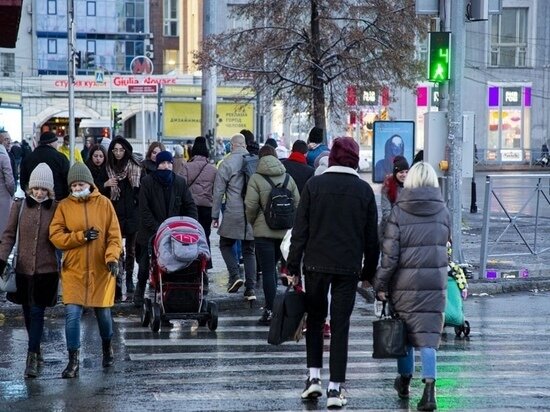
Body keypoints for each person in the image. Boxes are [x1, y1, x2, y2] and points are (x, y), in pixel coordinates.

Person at [287, 137, 379, 409]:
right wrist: (368, 272)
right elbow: (370, 239)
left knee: (315, 322)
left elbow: (299, 231)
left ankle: (313, 378)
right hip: (348, 268)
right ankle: (335, 389)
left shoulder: (314, 186)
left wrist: (292, 266)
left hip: (315, 265)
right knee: (340, 327)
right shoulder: (364, 192)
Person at [373, 161, 450, 412]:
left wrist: (380, 284)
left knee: (404, 335)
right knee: (428, 338)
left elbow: (390, 255)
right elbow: (449, 246)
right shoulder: (443, 211)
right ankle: (429, 391)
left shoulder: (399, 211)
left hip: (404, 285)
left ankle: (404, 382)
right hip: (434, 283)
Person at [49, 162, 123, 378]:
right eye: (73, 185)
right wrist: (79, 237)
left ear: (90, 184)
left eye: (81, 183)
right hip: (74, 269)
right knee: (72, 315)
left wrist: (112, 258)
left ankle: (107, 347)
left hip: (102, 270)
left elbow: (114, 236)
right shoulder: (64, 206)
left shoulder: (105, 204)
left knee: (103, 314)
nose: (77, 187)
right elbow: (56, 236)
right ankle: (73, 361)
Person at [0, 163, 59, 379]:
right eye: (36, 188)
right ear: (29, 188)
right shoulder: (20, 205)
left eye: (43, 189)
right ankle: (36, 347)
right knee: (27, 313)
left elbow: (62, 236)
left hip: (47, 271)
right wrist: (1, 258)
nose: (39, 193)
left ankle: (31, 356)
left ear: (49, 190)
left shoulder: (56, 207)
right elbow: (8, 235)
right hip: (23, 270)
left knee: (37, 313)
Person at [133, 151, 198, 307]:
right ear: (157, 165)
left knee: (170, 268)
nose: (166, 166)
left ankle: (169, 300)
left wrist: (190, 225)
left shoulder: (179, 182)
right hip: (150, 232)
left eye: (169, 163)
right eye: (162, 163)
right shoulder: (148, 182)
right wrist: (159, 229)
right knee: (144, 267)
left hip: (173, 234)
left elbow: (189, 206)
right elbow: (144, 210)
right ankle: (139, 292)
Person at [245, 145, 300, 325]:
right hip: (285, 232)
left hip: (264, 233)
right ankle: (289, 310)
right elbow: (298, 204)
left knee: (268, 272)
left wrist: (255, 223)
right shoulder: (288, 177)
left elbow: (251, 206)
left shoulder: (256, 178)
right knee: (283, 270)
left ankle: (270, 311)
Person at [212, 133, 257, 300]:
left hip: (233, 211)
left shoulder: (227, 163)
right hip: (252, 212)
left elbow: (218, 192)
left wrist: (215, 215)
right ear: (244, 145)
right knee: (249, 250)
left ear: (232, 146)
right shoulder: (254, 161)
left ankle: (234, 274)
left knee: (225, 244)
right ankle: (250, 289)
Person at [102, 137, 142, 298]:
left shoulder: (135, 167)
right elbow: (102, 194)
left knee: (131, 249)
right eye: (115, 150)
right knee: (117, 249)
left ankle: (129, 280)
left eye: (121, 150)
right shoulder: (108, 168)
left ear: (126, 150)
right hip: (115, 214)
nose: (118, 153)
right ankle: (118, 280)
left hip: (132, 213)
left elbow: (140, 192)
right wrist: (106, 185)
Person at [179, 136, 217, 269]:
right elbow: (215, 190)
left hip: (190, 207)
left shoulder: (187, 167)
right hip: (207, 207)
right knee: (204, 236)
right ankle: (206, 264)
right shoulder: (212, 169)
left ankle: (191, 264)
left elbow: (181, 187)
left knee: (190, 235)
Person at [20, 131, 70, 201]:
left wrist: (30, 194)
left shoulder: (28, 158)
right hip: (57, 199)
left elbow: (23, 182)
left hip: (34, 199)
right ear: (51, 143)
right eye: (57, 142)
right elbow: (67, 179)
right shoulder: (60, 157)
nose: (57, 145)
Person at [379, 155, 409, 238]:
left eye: (406, 172)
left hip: (407, 231)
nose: (404, 175)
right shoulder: (388, 187)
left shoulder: (412, 186)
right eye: (401, 172)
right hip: (390, 231)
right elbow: (386, 213)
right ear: (396, 172)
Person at [0, 131, 15, 237]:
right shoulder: (4, 157)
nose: (9, 142)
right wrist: (12, 192)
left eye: (9, 139)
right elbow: (9, 181)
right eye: (6, 139)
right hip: (3, 196)